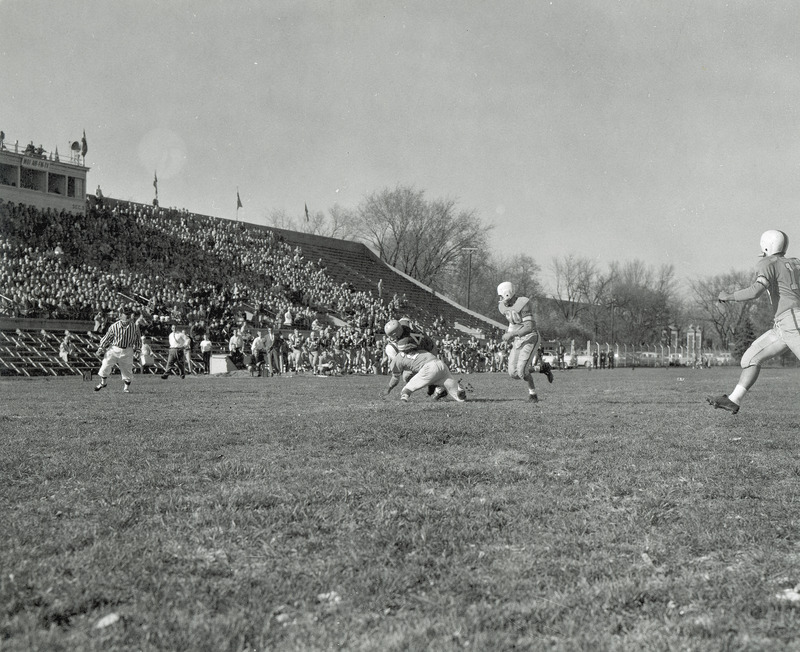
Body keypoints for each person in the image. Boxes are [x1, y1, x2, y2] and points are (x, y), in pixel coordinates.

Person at [708, 230, 800, 414]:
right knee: (751, 358)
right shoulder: (795, 263)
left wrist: (728, 296)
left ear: (766, 246)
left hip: (792, 319)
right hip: (782, 323)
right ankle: (733, 400)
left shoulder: (768, 263)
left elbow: (755, 291)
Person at [496, 281, 554, 402]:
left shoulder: (522, 303)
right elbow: (513, 322)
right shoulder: (505, 307)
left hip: (530, 337)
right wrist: (508, 338)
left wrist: (511, 334)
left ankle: (533, 394)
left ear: (507, 294)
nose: (500, 299)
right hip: (519, 338)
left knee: (522, 370)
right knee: (513, 373)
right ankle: (541, 368)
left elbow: (529, 327)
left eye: (501, 296)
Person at [385, 349, 466, 402]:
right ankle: (460, 391)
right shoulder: (418, 348)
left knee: (407, 389)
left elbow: (395, 378)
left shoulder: (397, 359)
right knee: (460, 399)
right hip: (440, 364)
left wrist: (388, 389)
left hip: (429, 368)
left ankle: (403, 403)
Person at [94, 307, 142, 393]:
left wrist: (138, 350)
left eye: (128, 317)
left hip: (127, 350)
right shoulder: (114, 326)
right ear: (120, 317)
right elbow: (107, 338)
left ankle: (126, 388)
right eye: (125, 316)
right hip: (114, 349)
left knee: (127, 370)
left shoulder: (134, 327)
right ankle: (103, 383)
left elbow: (138, 339)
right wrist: (101, 348)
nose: (127, 319)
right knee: (105, 365)